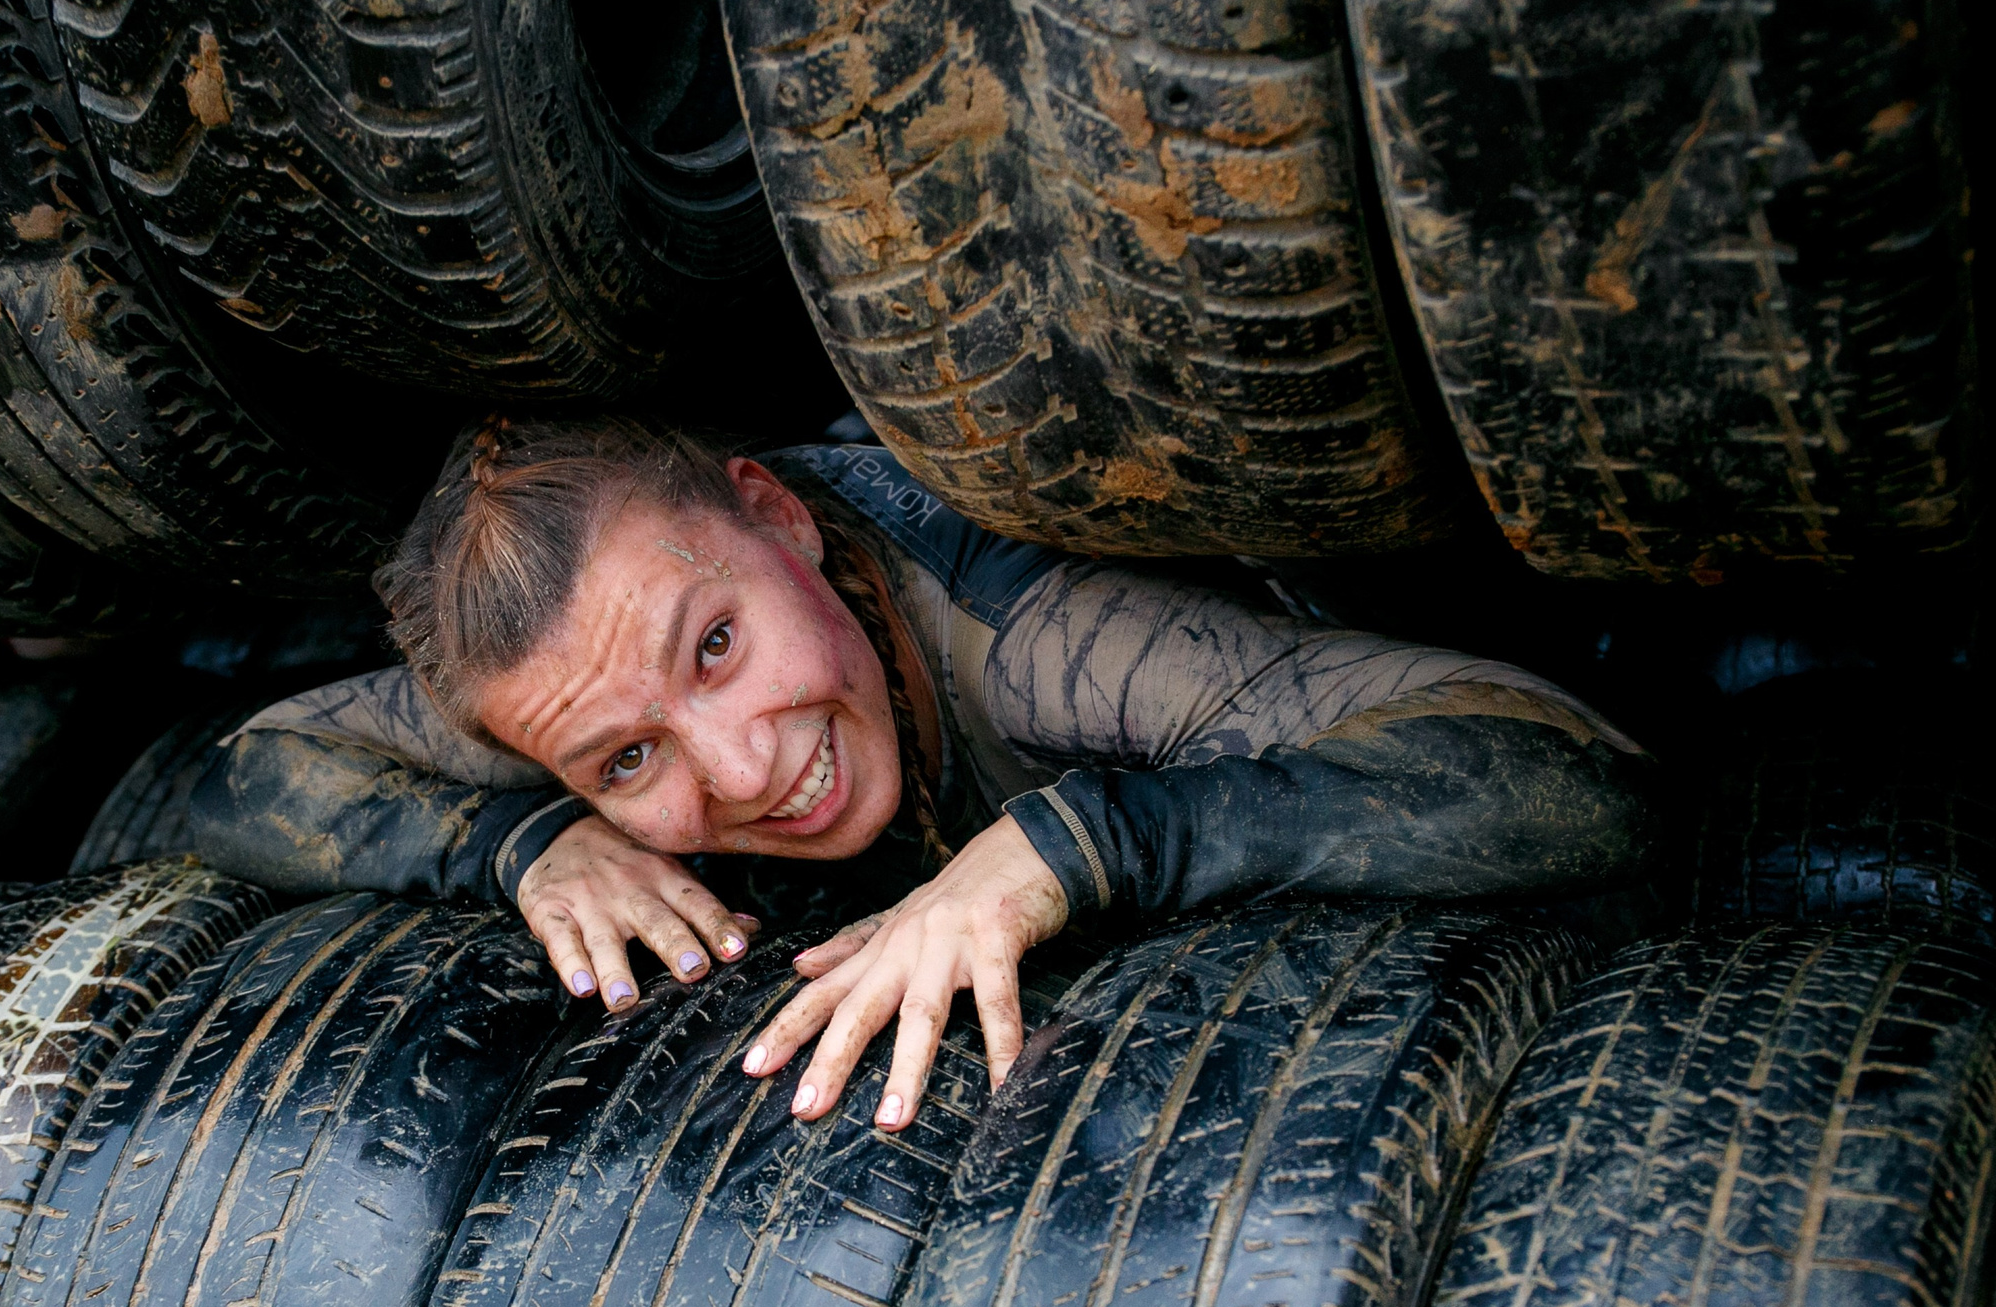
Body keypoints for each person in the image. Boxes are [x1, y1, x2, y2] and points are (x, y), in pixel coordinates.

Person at [191, 417, 1654, 1133]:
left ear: (778, 519)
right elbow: (248, 770)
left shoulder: (1040, 641)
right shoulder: (561, 678)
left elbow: (1574, 771)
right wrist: (519, 846)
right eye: (627, 759)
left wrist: (1069, 846)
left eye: (717, 646)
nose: (746, 765)